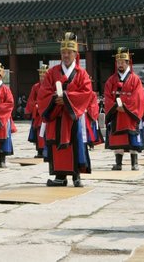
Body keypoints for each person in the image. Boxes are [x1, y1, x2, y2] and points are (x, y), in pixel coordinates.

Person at [38, 32, 93, 187]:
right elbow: (44, 92)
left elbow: (86, 92)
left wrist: (67, 98)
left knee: (75, 144)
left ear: (75, 54)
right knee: (56, 144)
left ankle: (76, 176)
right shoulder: (52, 72)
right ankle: (60, 176)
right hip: (56, 114)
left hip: (72, 115)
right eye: (63, 52)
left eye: (69, 52)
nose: (66, 55)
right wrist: (55, 98)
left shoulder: (82, 73)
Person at [103, 47, 144, 171]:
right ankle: (118, 163)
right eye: (118, 62)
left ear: (128, 63)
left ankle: (134, 163)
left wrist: (125, 106)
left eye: (123, 62)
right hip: (117, 114)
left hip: (129, 113)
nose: (120, 64)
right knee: (118, 139)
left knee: (133, 139)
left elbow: (138, 97)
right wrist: (116, 106)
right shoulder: (111, 80)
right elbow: (107, 95)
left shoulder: (135, 79)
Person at [26, 65, 48, 158]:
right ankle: (39, 151)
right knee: (38, 133)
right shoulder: (35, 87)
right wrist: (35, 105)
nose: (42, 78)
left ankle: (47, 151)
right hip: (38, 114)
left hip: (47, 113)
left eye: (44, 76)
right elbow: (31, 100)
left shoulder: (52, 86)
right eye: (41, 76)